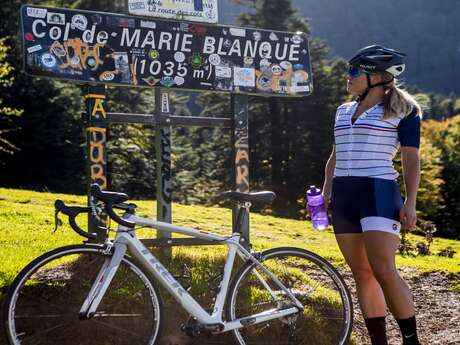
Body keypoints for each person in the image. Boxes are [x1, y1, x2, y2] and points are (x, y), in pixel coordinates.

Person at [322, 45, 422, 345]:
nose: (347, 76)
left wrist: (410, 202)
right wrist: (327, 189)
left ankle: (411, 340)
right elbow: (335, 154)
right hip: (344, 195)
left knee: (383, 270)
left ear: (377, 77)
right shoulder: (343, 111)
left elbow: (411, 158)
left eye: (354, 71)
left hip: (378, 191)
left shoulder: (404, 111)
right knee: (362, 273)